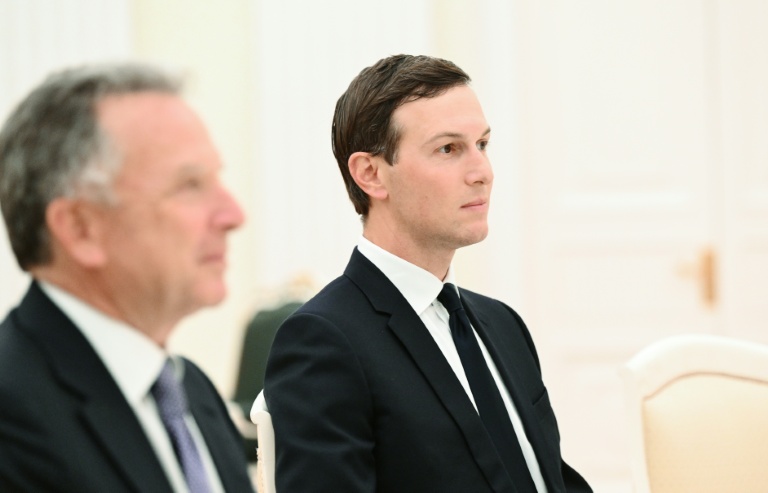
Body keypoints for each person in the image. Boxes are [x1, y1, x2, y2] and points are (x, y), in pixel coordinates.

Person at [263, 54, 592, 492]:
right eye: (448, 149)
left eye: (483, 144)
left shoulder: (503, 324)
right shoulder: (323, 341)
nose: (483, 172)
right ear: (371, 174)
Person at [0, 63, 255, 493]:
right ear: (81, 228)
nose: (233, 215)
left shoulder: (193, 391)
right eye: (190, 185)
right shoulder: (12, 416)